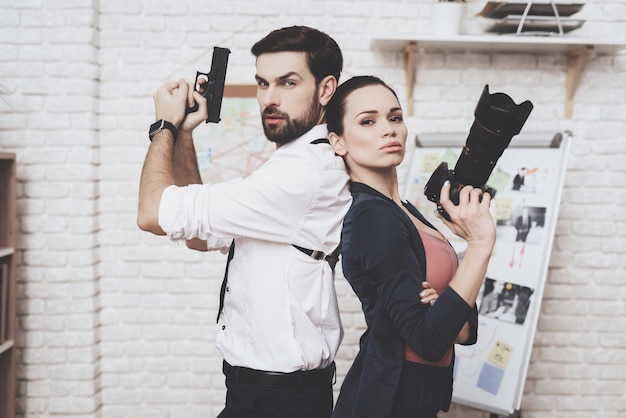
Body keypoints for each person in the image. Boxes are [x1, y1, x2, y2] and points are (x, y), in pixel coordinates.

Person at [137, 26, 397, 418]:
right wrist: (187, 134)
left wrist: (165, 127)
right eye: (263, 83)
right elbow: (198, 238)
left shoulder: (302, 174)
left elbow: (151, 213)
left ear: (327, 89)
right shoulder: (292, 164)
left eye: (287, 83)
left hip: (280, 399)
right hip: (258, 391)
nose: (270, 99)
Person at [326, 76, 497, 418]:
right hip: (388, 401)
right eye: (368, 121)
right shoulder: (370, 218)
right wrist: (480, 245)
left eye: (395, 117)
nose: (388, 130)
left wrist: (447, 313)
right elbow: (430, 341)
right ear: (338, 142)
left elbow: (463, 332)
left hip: (417, 399)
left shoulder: (404, 210)